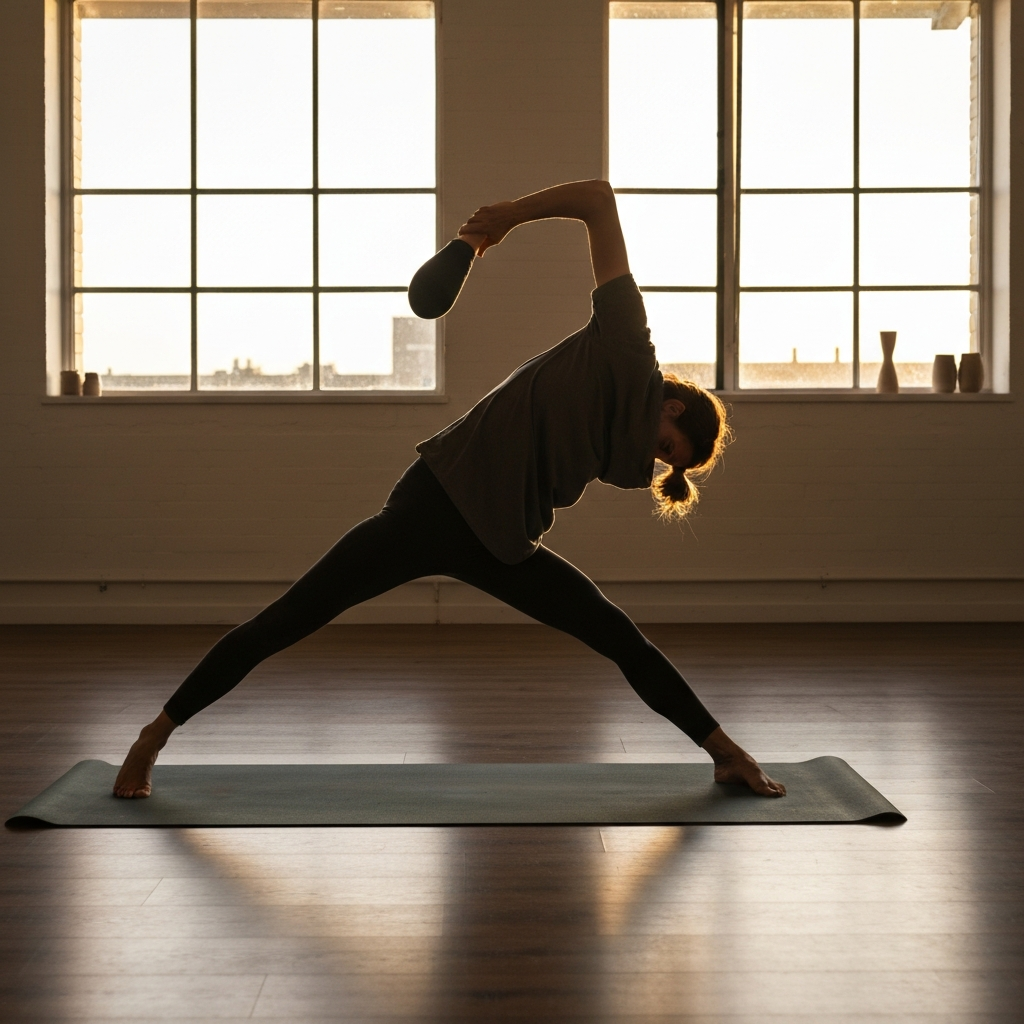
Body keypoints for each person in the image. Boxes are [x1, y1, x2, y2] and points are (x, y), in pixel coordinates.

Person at [113, 179, 786, 800]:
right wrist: (509, 218)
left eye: (670, 462)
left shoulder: (624, 450)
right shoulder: (627, 345)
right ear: (670, 407)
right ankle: (153, 737)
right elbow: (599, 200)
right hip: (431, 506)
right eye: (668, 447)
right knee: (290, 617)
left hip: (501, 542)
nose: (656, 461)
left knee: (615, 633)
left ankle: (724, 751)